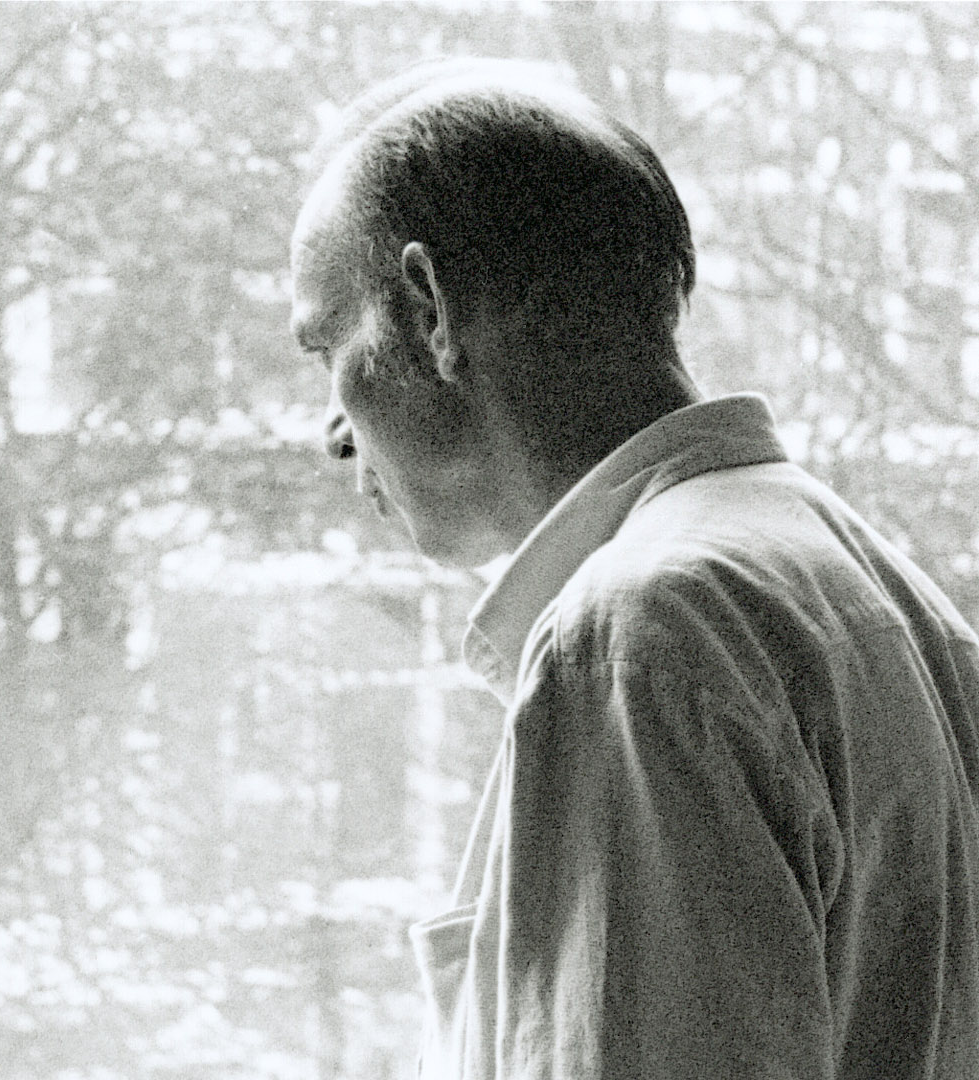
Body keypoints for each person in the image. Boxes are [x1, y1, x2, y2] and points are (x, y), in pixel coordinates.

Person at [289, 57, 979, 1079]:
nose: (332, 434)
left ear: (430, 309)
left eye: (324, 348)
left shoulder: (642, 633)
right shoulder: (884, 597)